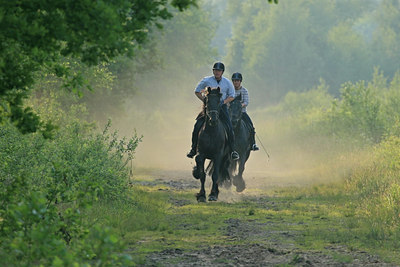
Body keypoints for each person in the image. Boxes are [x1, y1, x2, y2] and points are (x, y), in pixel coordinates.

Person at [187, 62, 240, 160]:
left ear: (222, 72)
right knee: (197, 125)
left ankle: (232, 151)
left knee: (229, 127)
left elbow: (232, 96)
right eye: (215, 70)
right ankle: (193, 148)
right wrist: (205, 100)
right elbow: (197, 91)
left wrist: (223, 102)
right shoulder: (206, 80)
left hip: (222, 107)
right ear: (213, 71)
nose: (217, 72)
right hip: (209, 107)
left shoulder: (227, 82)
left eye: (219, 71)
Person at [231, 72, 259, 151]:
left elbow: (246, 102)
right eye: (234, 80)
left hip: (241, 113)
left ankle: (253, 143)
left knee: (250, 126)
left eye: (237, 80)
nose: (236, 82)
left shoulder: (244, 91)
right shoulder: (230, 90)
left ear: (240, 81)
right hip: (231, 113)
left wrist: (239, 106)